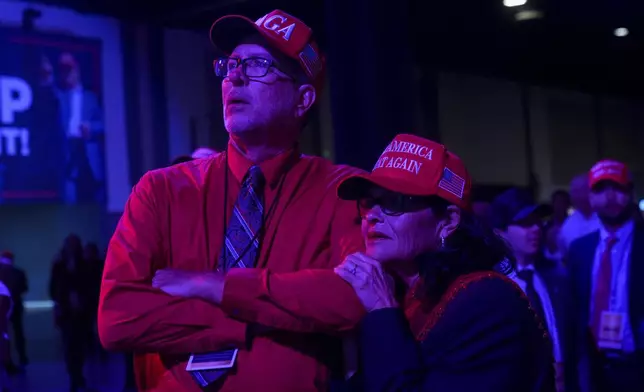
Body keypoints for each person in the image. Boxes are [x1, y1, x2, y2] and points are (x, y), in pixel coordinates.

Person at [99, 9, 366, 392]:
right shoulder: (159, 190)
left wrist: (216, 287)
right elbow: (117, 318)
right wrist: (251, 315)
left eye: (257, 65)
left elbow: (349, 300)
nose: (234, 77)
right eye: (231, 64)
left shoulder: (343, 189)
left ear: (302, 98)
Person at [330, 134, 555, 391]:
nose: (372, 216)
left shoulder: (488, 300)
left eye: (394, 202)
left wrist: (382, 312)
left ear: (448, 221)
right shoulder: (403, 294)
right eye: (370, 202)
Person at [566, 160, 644, 392]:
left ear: (630, 194)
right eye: (601, 189)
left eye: (617, 188)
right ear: (590, 198)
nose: (610, 196)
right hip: (594, 368)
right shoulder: (579, 250)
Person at [492, 188, 578, 392]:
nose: (536, 229)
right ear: (500, 232)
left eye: (538, 221)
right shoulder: (492, 287)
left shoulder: (556, 277)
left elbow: (575, 342)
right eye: (524, 224)